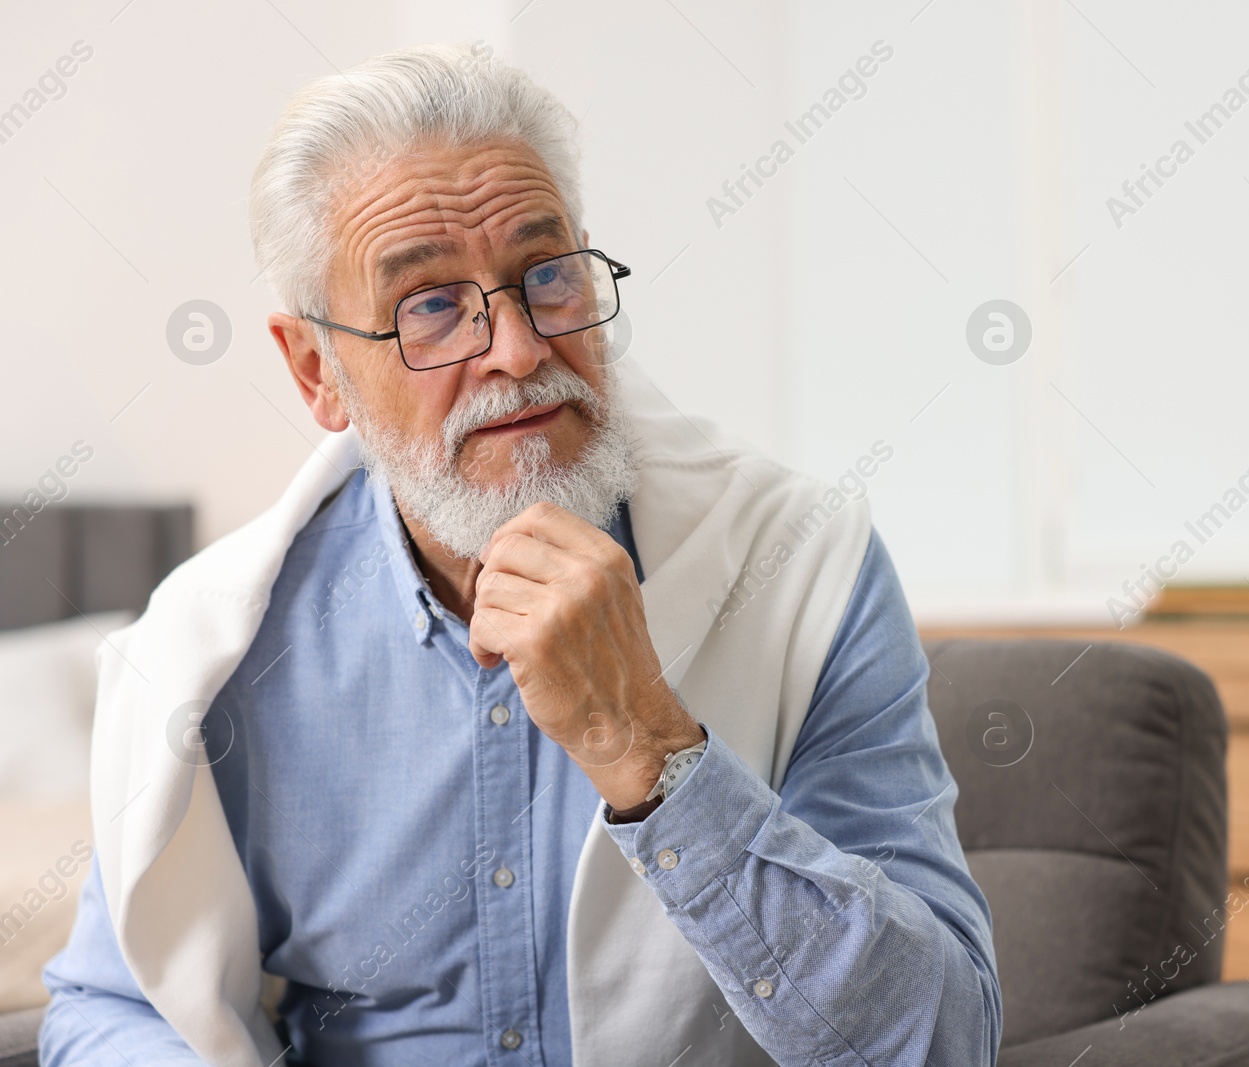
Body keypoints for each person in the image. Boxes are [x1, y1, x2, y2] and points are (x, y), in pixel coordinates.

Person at [39, 43, 1001, 1067]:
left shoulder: (805, 565)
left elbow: (940, 1040)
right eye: (431, 306)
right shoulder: (216, 646)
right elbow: (114, 1007)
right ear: (319, 369)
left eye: (546, 276)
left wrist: (649, 746)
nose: (518, 349)